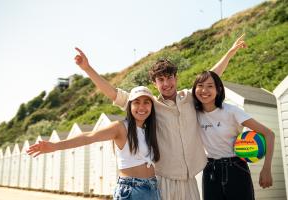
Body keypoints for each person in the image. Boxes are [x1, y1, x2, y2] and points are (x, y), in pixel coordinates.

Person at [74, 34, 247, 200]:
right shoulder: (149, 105)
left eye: (169, 78)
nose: (166, 84)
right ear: (154, 83)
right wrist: (88, 69)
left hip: (190, 180)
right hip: (163, 179)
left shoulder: (190, 97)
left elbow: (211, 77)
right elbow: (114, 94)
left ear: (176, 78)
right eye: (161, 80)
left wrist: (230, 53)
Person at [27, 86, 161, 200]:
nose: (141, 107)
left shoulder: (149, 130)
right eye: (136, 102)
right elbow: (90, 136)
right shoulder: (120, 127)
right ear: (130, 105)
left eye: (146, 102)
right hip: (132, 190)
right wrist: (55, 145)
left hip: (153, 188)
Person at [192, 71, 275, 200]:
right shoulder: (193, 113)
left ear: (218, 90)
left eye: (210, 86)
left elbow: (269, 134)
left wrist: (266, 169)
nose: (204, 90)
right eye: (200, 85)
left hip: (236, 169)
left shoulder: (232, 111)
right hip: (210, 171)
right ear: (194, 89)